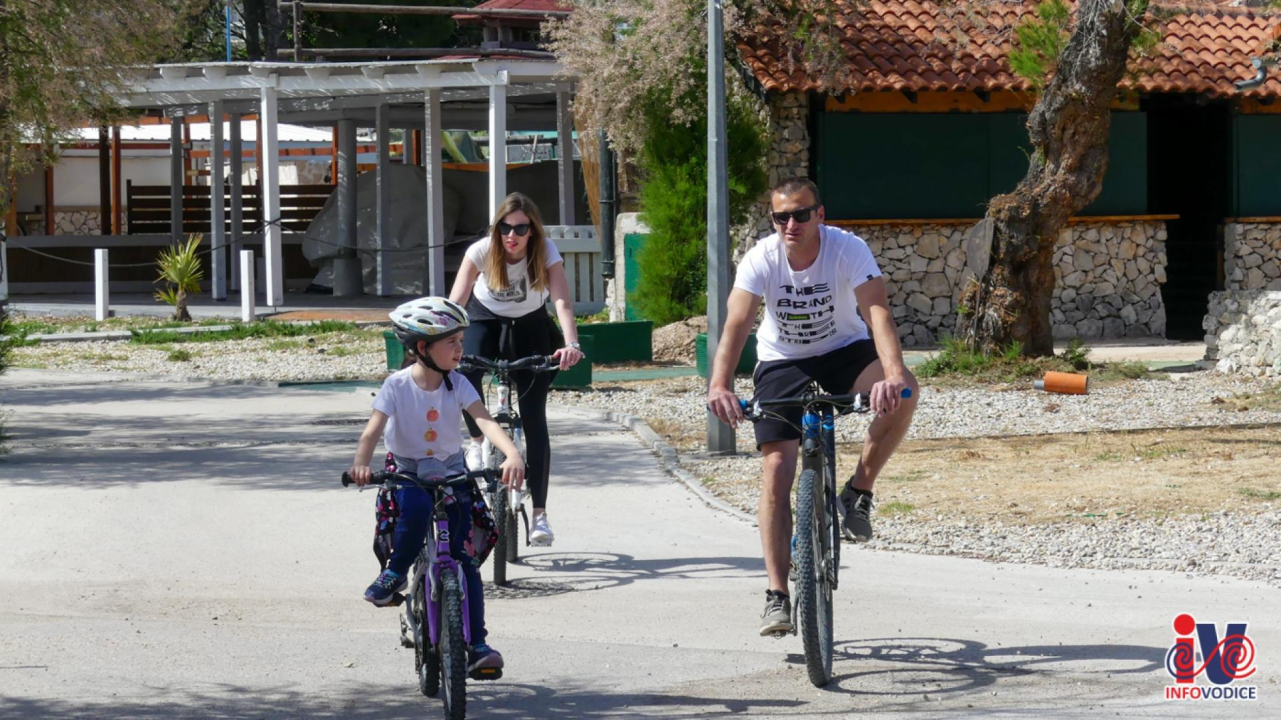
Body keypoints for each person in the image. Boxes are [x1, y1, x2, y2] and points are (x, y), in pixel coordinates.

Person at [706, 177, 919, 637]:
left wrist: (894, 373)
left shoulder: (848, 248)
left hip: (845, 351)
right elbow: (737, 324)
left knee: (904, 394)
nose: (791, 224)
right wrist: (719, 384)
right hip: (783, 360)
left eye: (801, 214)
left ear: (820, 214)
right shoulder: (761, 258)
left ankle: (858, 491)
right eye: (781, 217)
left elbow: (877, 311)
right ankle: (777, 595)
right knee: (777, 471)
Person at [349, 296, 526, 675]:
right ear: (422, 349)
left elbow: (485, 422)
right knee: (413, 511)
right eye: (452, 343)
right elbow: (372, 431)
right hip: (408, 468)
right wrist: (362, 465)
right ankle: (395, 573)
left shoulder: (458, 383)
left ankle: (477, 643)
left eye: (461, 341)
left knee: (463, 561)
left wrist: (512, 454)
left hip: (449, 467)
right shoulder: (396, 386)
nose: (461, 349)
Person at [449, 192, 584, 546]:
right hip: (484, 319)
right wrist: (441, 341)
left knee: (535, 416)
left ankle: (539, 516)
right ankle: (478, 440)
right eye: (505, 227)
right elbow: (457, 301)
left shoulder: (546, 252)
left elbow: (561, 301)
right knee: (463, 370)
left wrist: (571, 344)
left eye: (521, 228)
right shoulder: (481, 250)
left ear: (533, 231)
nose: (512, 235)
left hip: (530, 326)